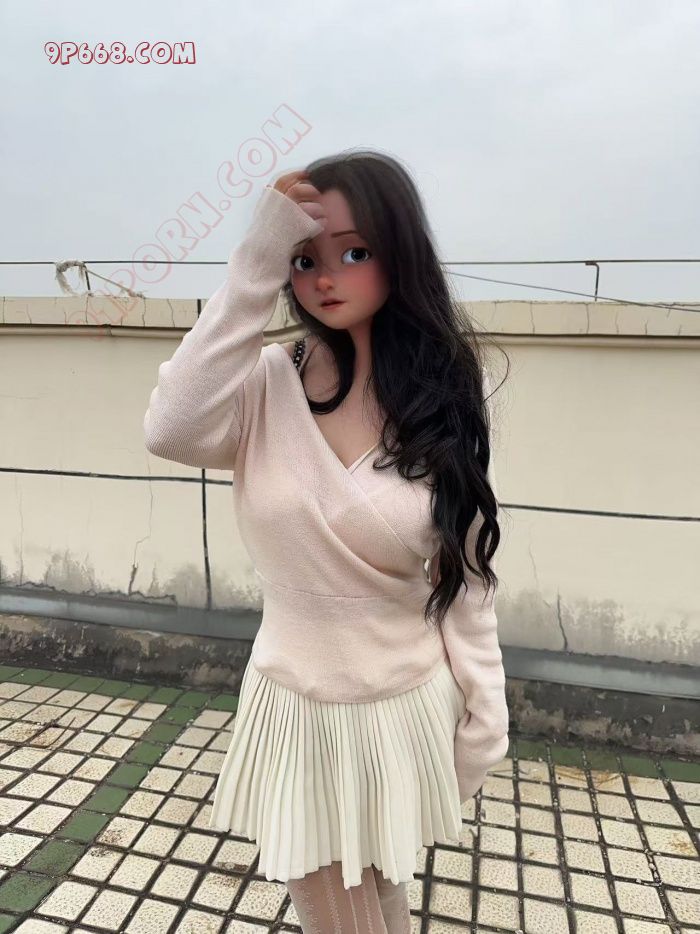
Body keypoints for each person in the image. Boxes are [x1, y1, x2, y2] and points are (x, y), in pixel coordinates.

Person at [143, 149, 510, 933]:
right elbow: (170, 428)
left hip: (404, 705)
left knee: (380, 895)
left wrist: (487, 709)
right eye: (303, 259)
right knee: (339, 915)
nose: (325, 278)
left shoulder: (443, 391)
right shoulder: (263, 385)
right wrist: (255, 257)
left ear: (398, 252)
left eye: (354, 251)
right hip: (296, 709)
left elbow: (466, 572)